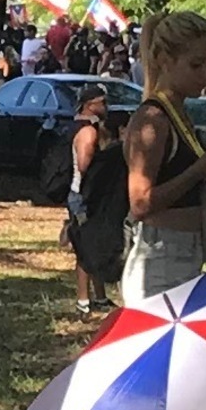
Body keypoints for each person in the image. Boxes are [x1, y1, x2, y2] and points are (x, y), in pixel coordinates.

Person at [122, 14, 206, 301]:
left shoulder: (178, 113)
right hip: (159, 259)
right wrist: (199, 170)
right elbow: (140, 202)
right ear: (165, 60)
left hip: (186, 252)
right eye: (196, 65)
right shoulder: (153, 118)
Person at [61, 87, 131, 315]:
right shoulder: (87, 132)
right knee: (85, 248)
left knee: (96, 244)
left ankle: (99, 297)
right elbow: (84, 167)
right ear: (89, 104)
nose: (106, 106)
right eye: (102, 102)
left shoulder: (90, 129)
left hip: (91, 195)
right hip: (82, 195)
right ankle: (83, 300)